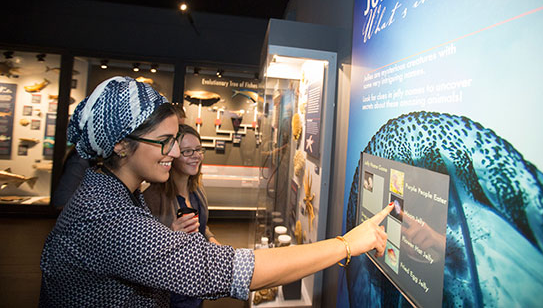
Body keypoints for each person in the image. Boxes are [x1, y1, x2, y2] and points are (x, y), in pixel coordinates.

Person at [39, 76, 394, 307]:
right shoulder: (106, 216)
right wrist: (346, 244)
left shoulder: (112, 193)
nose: (176, 154)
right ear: (120, 146)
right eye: (165, 143)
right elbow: (231, 271)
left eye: (176, 142)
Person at [144, 124, 218, 307]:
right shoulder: (153, 196)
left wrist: (211, 238)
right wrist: (171, 234)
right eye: (187, 151)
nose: (196, 156)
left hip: (195, 282)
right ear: (173, 155)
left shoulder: (196, 189)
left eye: (199, 149)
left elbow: (200, 226)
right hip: (170, 292)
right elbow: (143, 252)